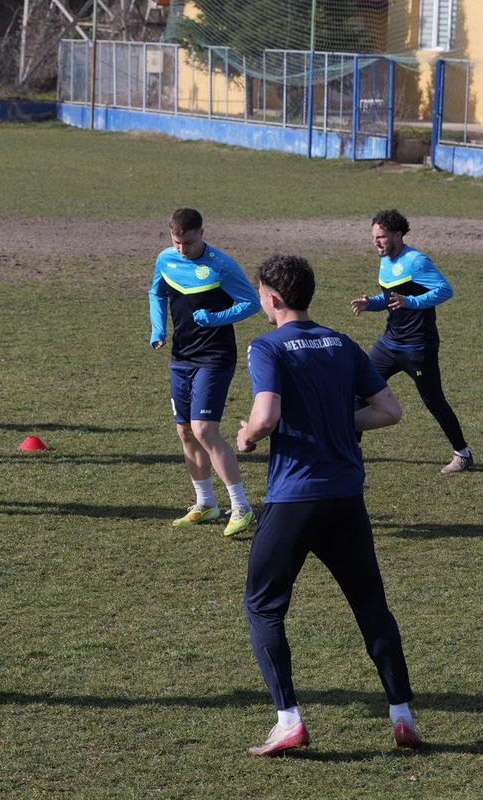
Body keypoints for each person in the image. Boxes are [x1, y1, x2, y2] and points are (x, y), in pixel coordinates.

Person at [238, 254, 420, 757]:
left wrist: (248, 437)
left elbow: (266, 416)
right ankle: (403, 715)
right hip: (346, 497)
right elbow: (390, 410)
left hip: (294, 499)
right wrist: (339, 423)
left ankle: (288, 721)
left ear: (274, 298)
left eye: (261, 295)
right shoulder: (342, 342)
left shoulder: (266, 346)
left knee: (263, 605)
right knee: (371, 606)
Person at [149, 208, 260, 537]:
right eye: (177, 242)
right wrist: (158, 328)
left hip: (214, 356)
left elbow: (251, 303)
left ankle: (241, 506)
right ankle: (206, 504)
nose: (182, 249)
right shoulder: (166, 259)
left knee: (204, 430)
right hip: (181, 356)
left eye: (188, 242)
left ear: (201, 233)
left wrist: (215, 319)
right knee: (185, 431)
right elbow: (157, 292)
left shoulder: (221, 265)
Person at [350, 209, 472, 474]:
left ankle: (463, 454)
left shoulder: (416, 261)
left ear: (398, 235)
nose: (376, 242)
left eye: (381, 237)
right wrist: (372, 303)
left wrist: (412, 302)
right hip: (389, 343)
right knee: (359, 388)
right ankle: (353, 451)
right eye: (374, 237)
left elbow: (445, 290)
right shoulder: (385, 259)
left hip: (417, 347)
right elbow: (392, 298)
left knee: (433, 400)